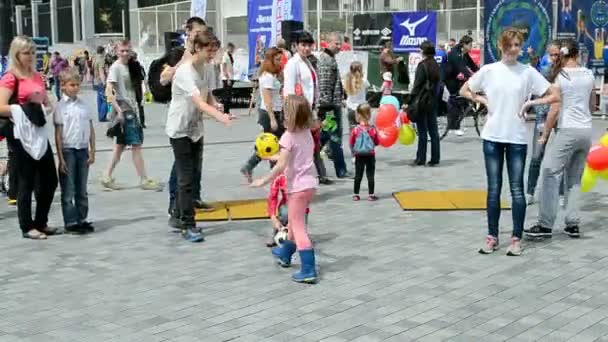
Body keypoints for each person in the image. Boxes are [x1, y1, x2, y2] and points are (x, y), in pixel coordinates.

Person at [459, 28, 559, 256]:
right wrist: (483, 99)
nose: (515, 49)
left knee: (517, 190)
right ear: (501, 46)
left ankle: (516, 238)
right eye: (511, 45)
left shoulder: (527, 72)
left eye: (518, 45)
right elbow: (464, 89)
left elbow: (554, 94)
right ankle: (492, 236)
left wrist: (530, 104)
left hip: (516, 138)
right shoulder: (489, 70)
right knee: (494, 189)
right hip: (492, 136)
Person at [166, 31, 232, 242]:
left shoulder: (206, 67)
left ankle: (179, 215)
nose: (212, 54)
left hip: (195, 129)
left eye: (214, 49)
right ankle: (187, 224)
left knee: (193, 176)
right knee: (185, 179)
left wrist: (218, 106)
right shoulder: (185, 71)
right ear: (197, 48)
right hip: (180, 130)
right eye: (209, 50)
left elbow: (208, 95)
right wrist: (220, 117)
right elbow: (199, 103)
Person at [525, 39, 594, 240]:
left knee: (549, 171)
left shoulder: (561, 78)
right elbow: (591, 104)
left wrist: (546, 133)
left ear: (563, 56)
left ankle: (545, 224)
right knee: (574, 178)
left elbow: (554, 109)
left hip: (568, 130)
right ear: (578, 55)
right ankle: (572, 224)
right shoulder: (589, 75)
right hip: (586, 130)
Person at [251, 95, 319, 284]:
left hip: (296, 188)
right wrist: (271, 157)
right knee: (294, 222)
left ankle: (308, 269)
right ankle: (285, 254)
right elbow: (291, 158)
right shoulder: (306, 133)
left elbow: (281, 166)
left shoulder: (288, 137)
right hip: (309, 185)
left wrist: (262, 180)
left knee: (298, 228)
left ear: (289, 117)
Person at [0, 35, 58, 240]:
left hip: (39, 133)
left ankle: (41, 221)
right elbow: (1, 106)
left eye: (33, 52)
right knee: (25, 182)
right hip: (19, 134)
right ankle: (27, 226)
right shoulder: (10, 77)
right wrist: (23, 108)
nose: (31, 56)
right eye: (26, 52)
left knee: (50, 179)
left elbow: (45, 100)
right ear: (16, 54)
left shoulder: (36, 76)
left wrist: (46, 105)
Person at [162, 16, 217, 212]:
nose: (201, 35)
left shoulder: (206, 60)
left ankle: (193, 199)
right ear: (189, 33)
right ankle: (176, 206)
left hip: (195, 119)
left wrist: (214, 106)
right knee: (181, 169)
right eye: (197, 32)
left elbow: (207, 89)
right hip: (181, 116)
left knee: (195, 165)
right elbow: (163, 79)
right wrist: (177, 68)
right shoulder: (180, 54)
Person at [102, 39, 158, 191]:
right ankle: (144, 179)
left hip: (132, 108)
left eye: (127, 50)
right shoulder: (116, 68)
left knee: (119, 146)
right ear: (116, 51)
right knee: (136, 145)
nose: (125, 53)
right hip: (126, 111)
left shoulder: (131, 66)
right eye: (122, 51)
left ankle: (106, 176)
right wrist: (118, 110)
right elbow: (109, 91)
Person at [283, 31, 332, 185]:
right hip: (298, 111)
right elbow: (289, 91)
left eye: (309, 45)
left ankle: (304, 179)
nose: (306, 48)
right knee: (298, 148)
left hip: (309, 109)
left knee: (308, 147)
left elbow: (312, 88)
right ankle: (291, 180)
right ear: (296, 46)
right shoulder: (292, 64)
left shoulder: (308, 62)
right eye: (303, 45)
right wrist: (293, 115)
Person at [54, 68, 96, 235]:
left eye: (78, 84)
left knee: (82, 188)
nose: (76, 88)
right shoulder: (60, 107)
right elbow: (58, 134)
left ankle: (82, 218)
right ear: (63, 86)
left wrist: (93, 150)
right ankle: (71, 221)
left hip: (82, 148)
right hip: (68, 149)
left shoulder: (84, 105)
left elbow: (91, 128)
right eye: (72, 85)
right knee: (69, 189)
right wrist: (61, 158)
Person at [526, 41, 564, 204]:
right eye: (552, 54)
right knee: (536, 155)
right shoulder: (543, 67)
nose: (554, 57)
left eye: (557, 54)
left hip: (561, 115)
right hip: (543, 115)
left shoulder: (565, 70)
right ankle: (530, 191)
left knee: (563, 156)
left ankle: (562, 193)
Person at [241, 48, 284, 182]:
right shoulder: (266, 77)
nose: (279, 62)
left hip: (276, 111)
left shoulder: (272, 75)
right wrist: (272, 119)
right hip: (269, 113)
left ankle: (253, 167)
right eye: (277, 60)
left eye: (280, 59)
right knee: (271, 144)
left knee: (274, 144)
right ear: (270, 60)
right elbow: (267, 99)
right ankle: (256, 167)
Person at [318, 32, 351, 179]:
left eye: (340, 44)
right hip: (329, 107)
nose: (339, 46)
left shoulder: (330, 58)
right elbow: (325, 85)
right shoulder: (326, 60)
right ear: (328, 43)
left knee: (325, 137)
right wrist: (328, 107)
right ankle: (341, 170)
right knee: (335, 138)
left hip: (332, 105)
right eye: (336, 43)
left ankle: (309, 158)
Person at [409, 40, 441, 167]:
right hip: (433, 100)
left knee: (422, 131)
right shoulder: (435, 64)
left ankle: (420, 158)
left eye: (420, 49)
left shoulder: (422, 66)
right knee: (433, 131)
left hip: (422, 101)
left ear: (424, 51)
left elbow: (417, 86)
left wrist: (409, 100)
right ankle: (435, 157)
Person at [445, 36, 478, 136]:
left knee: (461, 100)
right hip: (449, 79)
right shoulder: (455, 54)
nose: (471, 47)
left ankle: (456, 124)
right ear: (464, 44)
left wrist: (480, 73)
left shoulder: (464, 53)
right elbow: (462, 68)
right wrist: (472, 76)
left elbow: (472, 65)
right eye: (470, 45)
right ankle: (453, 127)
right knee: (455, 101)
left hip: (458, 79)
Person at [349, 104, 379, 201]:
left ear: (358, 115)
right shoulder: (373, 129)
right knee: (370, 175)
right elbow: (377, 142)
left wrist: (354, 152)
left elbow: (351, 142)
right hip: (370, 154)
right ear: (369, 115)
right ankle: (371, 194)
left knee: (358, 174)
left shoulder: (355, 130)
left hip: (359, 155)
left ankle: (356, 194)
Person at [343, 61, 370, 163]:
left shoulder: (348, 81)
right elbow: (367, 88)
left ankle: (354, 155)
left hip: (350, 108)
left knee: (352, 133)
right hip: (362, 108)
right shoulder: (364, 81)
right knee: (363, 132)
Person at [93, 46, 108, 122]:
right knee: (105, 99)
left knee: (99, 99)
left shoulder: (95, 59)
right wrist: (104, 82)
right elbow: (101, 71)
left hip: (95, 81)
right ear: (103, 51)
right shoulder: (101, 60)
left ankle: (100, 115)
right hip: (100, 81)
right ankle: (102, 116)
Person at [221, 42, 235, 115]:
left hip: (230, 77)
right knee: (226, 95)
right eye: (232, 48)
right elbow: (224, 68)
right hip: (227, 78)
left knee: (229, 95)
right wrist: (228, 78)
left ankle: (227, 111)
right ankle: (225, 112)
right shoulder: (225, 56)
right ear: (229, 48)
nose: (233, 50)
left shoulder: (230, 55)